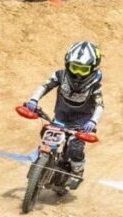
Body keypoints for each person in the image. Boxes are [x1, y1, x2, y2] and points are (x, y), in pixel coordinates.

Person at [23, 40, 103, 190]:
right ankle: (44, 162)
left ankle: (77, 171)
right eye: (74, 68)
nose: (77, 74)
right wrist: (33, 99)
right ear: (67, 63)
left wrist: (93, 121)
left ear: (92, 69)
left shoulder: (94, 85)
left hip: (81, 122)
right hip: (61, 117)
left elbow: (99, 105)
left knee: (75, 147)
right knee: (46, 133)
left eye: (83, 70)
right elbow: (44, 86)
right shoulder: (60, 75)